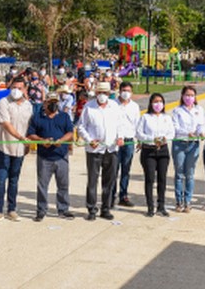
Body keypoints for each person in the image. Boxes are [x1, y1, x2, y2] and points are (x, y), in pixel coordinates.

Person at [77, 82, 124, 221]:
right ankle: (91, 209)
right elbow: (81, 126)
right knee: (92, 179)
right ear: (96, 93)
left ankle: (106, 208)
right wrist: (89, 139)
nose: (102, 95)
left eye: (105, 93)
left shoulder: (114, 106)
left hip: (111, 148)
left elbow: (119, 124)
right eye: (100, 92)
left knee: (109, 180)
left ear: (109, 94)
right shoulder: (89, 107)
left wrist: (120, 137)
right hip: (94, 149)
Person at [0, 77, 33, 224]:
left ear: (25, 89)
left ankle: (11, 210)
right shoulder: (3, 103)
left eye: (20, 88)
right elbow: (6, 124)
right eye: (14, 87)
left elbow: (29, 126)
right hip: (3, 147)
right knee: (1, 180)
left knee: (14, 180)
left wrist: (27, 144)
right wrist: (20, 137)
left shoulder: (28, 105)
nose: (16, 90)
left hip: (19, 149)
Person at [27, 92, 75, 221]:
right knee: (42, 185)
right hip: (44, 157)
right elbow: (31, 134)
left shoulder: (64, 116)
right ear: (45, 103)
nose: (53, 104)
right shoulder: (36, 117)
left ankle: (63, 209)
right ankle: (41, 210)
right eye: (51, 102)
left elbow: (70, 132)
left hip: (61, 156)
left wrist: (61, 140)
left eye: (55, 102)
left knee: (63, 185)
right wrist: (42, 140)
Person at [136, 93, 175, 217]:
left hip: (163, 151)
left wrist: (164, 139)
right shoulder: (145, 117)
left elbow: (171, 132)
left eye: (160, 101)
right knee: (150, 179)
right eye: (155, 101)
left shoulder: (166, 118)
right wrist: (152, 139)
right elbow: (139, 133)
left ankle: (161, 206)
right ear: (151, 103)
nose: (158, 104)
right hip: (149, 151)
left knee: (162, 179)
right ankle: (150, 207)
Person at [171, 85, 205, 213]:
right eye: (187, 95)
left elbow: (201, 125)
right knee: (179, 173)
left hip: (193, 145)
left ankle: (188, 201)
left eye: (192, 95)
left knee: (190, 174)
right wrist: (187, 133)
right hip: (180, 144)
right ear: (182, 96)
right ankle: (179, 201)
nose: (189, 98)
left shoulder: (199, 110)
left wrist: (201, 133)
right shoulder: (177, 111)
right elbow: (175, 127)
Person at [112, 81, 140, 207]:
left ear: (132, 92)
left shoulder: (134, 106)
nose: (126, 93)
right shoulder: (112, 105)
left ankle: (123, 196)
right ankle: (111, 196)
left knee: (126, 170)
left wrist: (139, 139)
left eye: (128, 91)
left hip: (129, 141)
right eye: (124, 90)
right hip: (115, 142)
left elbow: (137, 124)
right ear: (119, 91)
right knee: (113, 170)